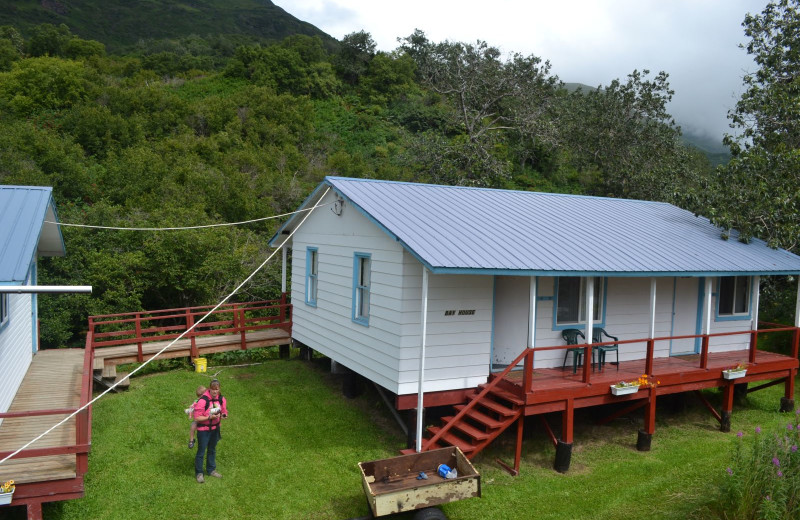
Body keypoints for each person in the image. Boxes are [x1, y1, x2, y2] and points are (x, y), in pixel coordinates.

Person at [193, 378, 228, 483]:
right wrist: (209, 417)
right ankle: (199, 473)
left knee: (212, 450)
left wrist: (224, 415)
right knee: (201, 451)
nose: (215, 392)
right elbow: (197, 418)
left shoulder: (221, 399)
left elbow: (224, 410)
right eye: (213, 390)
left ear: (219, 389)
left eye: (217, 390)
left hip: (215, 429)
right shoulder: (203, 401)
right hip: (204, 430)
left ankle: (211, 470)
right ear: (209, 389)